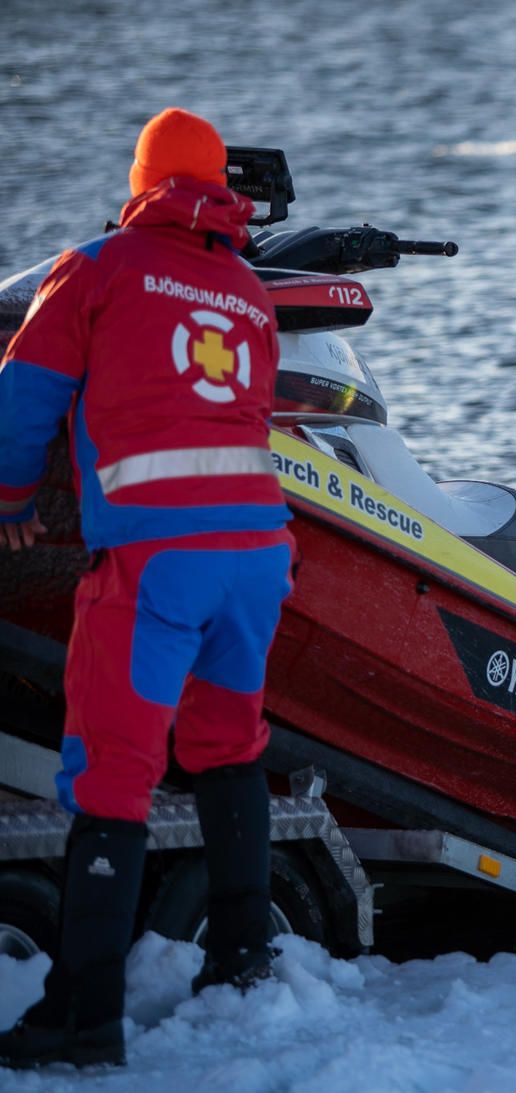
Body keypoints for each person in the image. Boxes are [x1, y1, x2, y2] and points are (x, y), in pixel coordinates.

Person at [0, 108, 295, 1069]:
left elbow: (24, 391)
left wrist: (11, 495)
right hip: (258, 554)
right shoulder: (250, 291)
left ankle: (82, 1015)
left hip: (157, 562)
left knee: (112, 772)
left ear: (140, 182)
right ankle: (245, 960)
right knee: (227, 745)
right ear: (219, 190)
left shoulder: (99, 266)